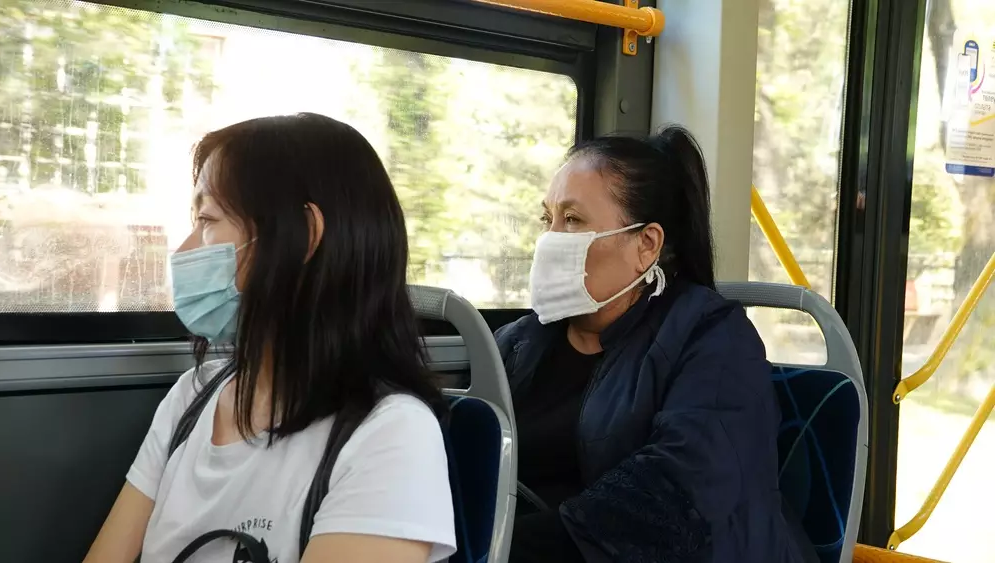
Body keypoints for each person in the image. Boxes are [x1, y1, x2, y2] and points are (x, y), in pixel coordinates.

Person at [84, 113, 456, 563]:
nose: (183, 252)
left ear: (305, 236)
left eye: (208, 219)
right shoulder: (193, 397)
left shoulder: (391, 436)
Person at [498, 127, 818, 563]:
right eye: (547, 220)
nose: (550, 239)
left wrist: (503, 548)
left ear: (646, 246)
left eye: (572, 220)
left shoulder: (714, 339)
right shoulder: (523, 342)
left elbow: (677, 493)